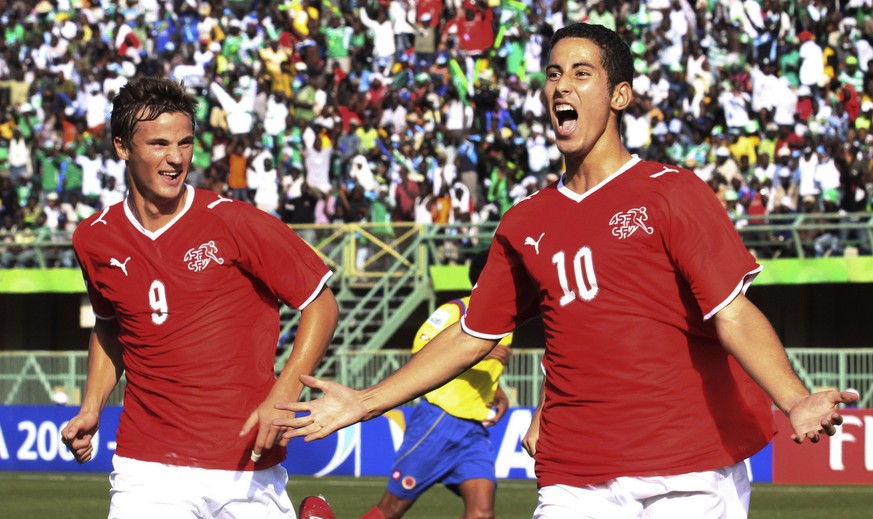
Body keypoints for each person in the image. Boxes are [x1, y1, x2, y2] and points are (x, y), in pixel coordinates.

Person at [273, 23, 859, 518]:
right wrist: (363, 402)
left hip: (689, 471)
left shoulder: (671, 192)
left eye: (582, 72)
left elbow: (731, 313)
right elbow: (482, 333)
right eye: (554, 73)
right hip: (575, 474)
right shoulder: (524, 221)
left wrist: (794, 399)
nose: (562, 85)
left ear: (620, 95)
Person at [60, 77, 339, 519]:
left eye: (185, 143)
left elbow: (320, 304)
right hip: (146, 467)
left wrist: (281, 395)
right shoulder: (93, 238)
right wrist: (91, 407)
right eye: (159, 144)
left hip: (245, 463)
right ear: (122, 147)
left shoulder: (235, 221)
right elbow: (111, 325)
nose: (176, 159)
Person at [361, 250, 513, 519]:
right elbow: (420, 350)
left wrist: (496, 391)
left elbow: (480, 370)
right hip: (438, 420)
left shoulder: (506, 323)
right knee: (392, 508)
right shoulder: (458, 311)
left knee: (482, 513)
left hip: (473, 430)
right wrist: (479, 351)